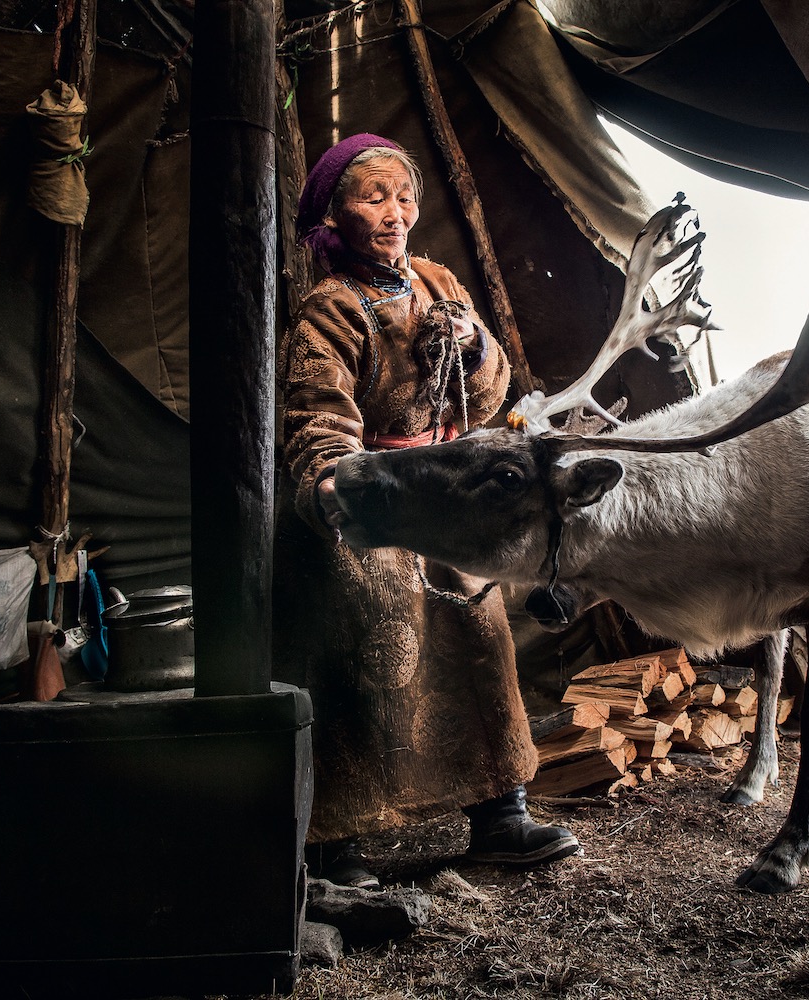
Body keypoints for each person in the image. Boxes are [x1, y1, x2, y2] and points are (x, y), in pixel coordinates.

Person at [273, 133, 581, 889]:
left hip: (449, 496)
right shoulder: (330, 309)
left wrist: (474, 346)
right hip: (376, 497)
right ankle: (337, 842)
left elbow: (489, 397)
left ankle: (500, 815)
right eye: (372, 197)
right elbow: (317, 413)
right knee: (364, 661)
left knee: (481, 645)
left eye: (403, 196)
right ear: (336, 212)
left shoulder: (441, 283)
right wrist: (336, 486)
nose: (393, 212)